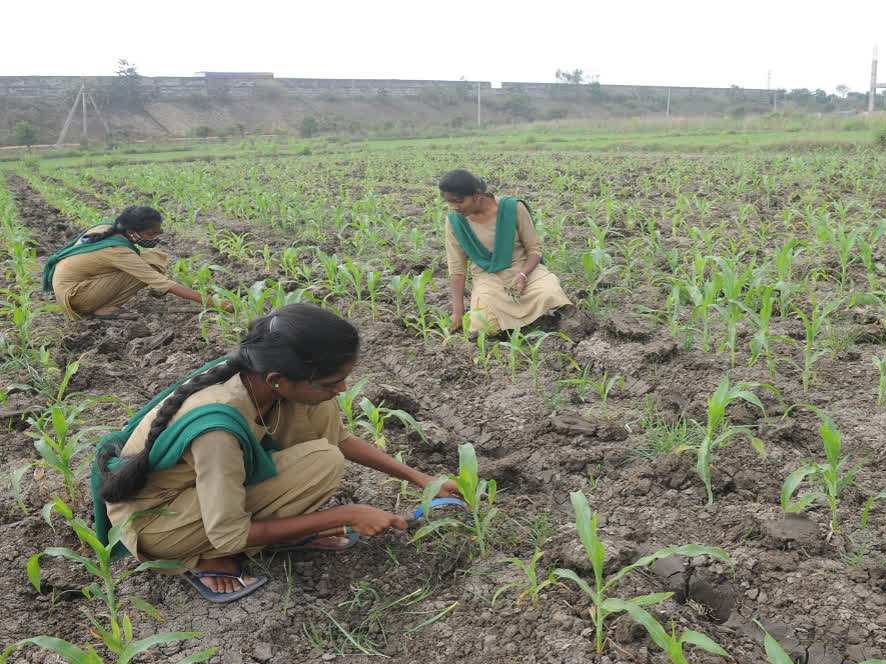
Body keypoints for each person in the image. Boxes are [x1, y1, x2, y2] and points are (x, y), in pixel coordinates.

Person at [93, 303, 463, 602]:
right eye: (334, 382)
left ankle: (282, 532)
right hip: (160, 522)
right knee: (229, 540)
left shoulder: (284, 382)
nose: (343, 389)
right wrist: (343, 515)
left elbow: (341, 441)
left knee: (324, 459)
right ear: (277, 380)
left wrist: (424, 479)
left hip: (208, 491)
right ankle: (201, 557)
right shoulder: (218, 427)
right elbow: (227, 533)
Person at [439, 169, 572, 334]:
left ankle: (543, 318)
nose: (455, 207)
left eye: (459, 201)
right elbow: (457, 268)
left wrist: (522, 275)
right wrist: (457, 313)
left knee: (549, 294)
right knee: (483, 324)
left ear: (478, 194)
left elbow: (534, 249)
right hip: (487, 275)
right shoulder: (454, 222)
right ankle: (534, 319)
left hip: (523, 269)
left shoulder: (512, 208)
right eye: (450, 202)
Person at [43, 206, 227, 320]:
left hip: (71, 286)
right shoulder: (118, 251)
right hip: (76, 296)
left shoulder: (106, 228)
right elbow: (161, 283)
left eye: (157, 232)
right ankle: (105, 309)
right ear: (131, 232)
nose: (155, 238)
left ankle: (102, 303)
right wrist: (213, 302)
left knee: (149, 259)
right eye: (150, 234)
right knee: (151, 266)